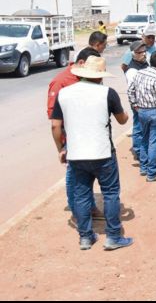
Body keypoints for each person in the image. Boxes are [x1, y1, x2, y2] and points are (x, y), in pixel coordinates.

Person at [50, 56, 133, 251]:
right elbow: (122, 120)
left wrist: (61, 149)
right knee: (110, 193)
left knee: (81, 195)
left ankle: (86, 237)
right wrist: (125, 114)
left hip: (76, 154)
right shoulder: (107, 93)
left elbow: (55, 126)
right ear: (100, 76)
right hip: (102, 152)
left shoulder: (64, 94)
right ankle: (113, 236)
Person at [47, 47, 104, 220]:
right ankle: (79, 213)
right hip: (72, 137)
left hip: (89, 134)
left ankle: (89, 207)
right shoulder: (61, 82)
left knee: (87, 175)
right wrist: (61, 147)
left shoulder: (87, 78)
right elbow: (55, 121)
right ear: (81, 63)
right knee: (74, 177)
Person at [128, 51, 156, 182]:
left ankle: (144, 167)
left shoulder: (140, 73)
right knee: (154, 142)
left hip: (142, 111)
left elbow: (130, 90)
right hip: (154, 112)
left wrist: (135, 104)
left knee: (144, 139)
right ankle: (152, 173)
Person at [124, 41, 149, 161]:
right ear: (134, 54)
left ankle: (144, 150)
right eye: (140, 52)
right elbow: (131, 90)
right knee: (139, 127)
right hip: (138, 103)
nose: (144, 54)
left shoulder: (145, 64)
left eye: (144, 51)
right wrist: (135, 105)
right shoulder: (132, 70)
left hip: (146, 102)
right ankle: (138, 151)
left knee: (145, 127)